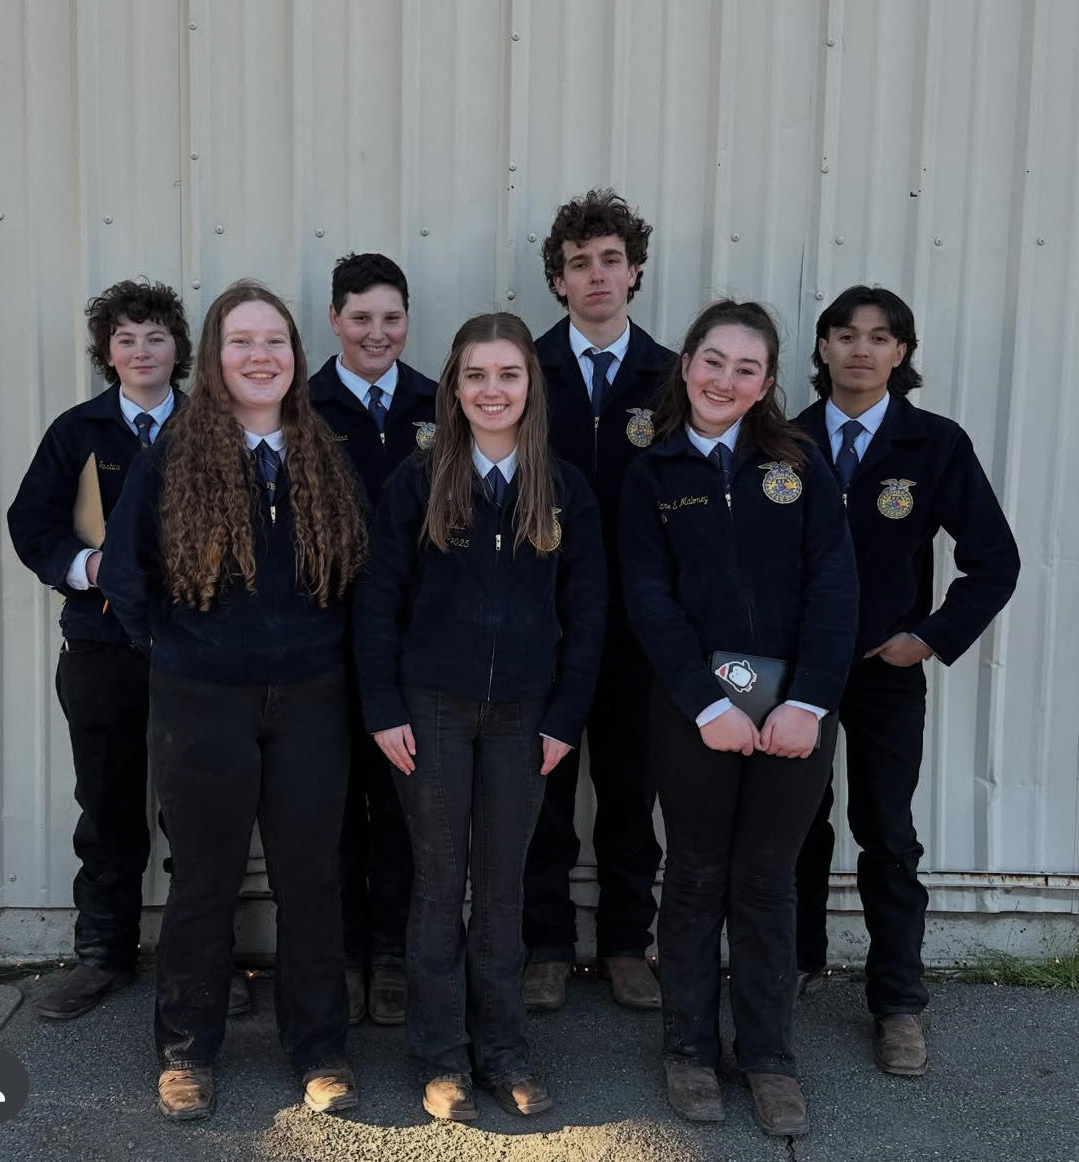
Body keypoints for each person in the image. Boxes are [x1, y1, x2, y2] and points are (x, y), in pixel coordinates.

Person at [98, 280, 367, 1122]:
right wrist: (180, 652)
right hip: (202, 703)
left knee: (310, 881)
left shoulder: (325, 453)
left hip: (314, 701)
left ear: (296, 356)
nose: (261, 356)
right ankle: (186, 1053)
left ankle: (319, 1050)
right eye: (242, 342)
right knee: (204, 883)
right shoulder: (172, 456)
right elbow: (123, 575)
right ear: (215, 360)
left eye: (275, 342)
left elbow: (359, 575)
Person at [353, 313, 606, 1121]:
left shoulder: (562, 487)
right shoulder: (419, 481)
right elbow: (377, 600)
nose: (492, 391)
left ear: (531, 386)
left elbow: (590, 613)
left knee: (502, 887)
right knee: (437, 885)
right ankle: (440, 1057)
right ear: (454, 391)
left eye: (508, 375)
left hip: (524, 715)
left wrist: (565, 717)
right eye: (476, 377)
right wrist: (384, 707)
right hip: (430, 709)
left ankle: (503, 1050)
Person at [619, 300, 858, 1136]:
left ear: (765, 386)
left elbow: (836, 587)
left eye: (746, 368)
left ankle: (768, 1057)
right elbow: (647, 599)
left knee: (765, 881)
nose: (726, 379)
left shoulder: (800, 466)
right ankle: (688, 1050)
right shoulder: (654, 474)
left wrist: (807, 703)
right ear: (686, 366)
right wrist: (707, 703)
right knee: (692, 876)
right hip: (696, 713)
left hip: (796, 713)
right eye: (713, 361)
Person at [793, 285, 1020, 1076]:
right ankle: (795, 965)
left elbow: (995, 560)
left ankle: (897, 1003)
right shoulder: (782, 441)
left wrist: (925, 639)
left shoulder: (934, 445)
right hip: (800, 674)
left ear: (901, 353)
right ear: (821, 348)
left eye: (880, 338)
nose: (861, 350)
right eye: (845, 335)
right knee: (794, 827)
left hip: (886, 673)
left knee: (886, 834)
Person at [7, 279, 192, 1019]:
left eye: (154, 336)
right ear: (106, 353)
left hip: (191, 651)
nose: (141, 351)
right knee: (108, 804)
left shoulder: (207, 428)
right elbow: (34, 523)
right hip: (100, 646)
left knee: (195, 809)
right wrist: (89, 570)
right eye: (126, 339)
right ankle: (102, 955)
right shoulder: (76, 431)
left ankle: (196, 956)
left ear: (178, 348)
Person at [524, 188, 675, 1011]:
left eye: (610, 259)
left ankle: (625, 944)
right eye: (578, 263)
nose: (596, 276)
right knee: (543, 791)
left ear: (636, 270)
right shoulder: (524, 369)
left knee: (628, 791)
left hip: (637, 628)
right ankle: (545, 943)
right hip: (539, 622)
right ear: (557, 281)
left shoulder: (673, 378)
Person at [308, 252, 437, 1026]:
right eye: (361, 318)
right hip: (322, 641)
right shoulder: (303, 405)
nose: (376, 332)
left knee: (399, 806)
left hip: (412, 644)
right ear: (334, 320)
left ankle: (390, 951)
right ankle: (344, 952)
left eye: (391, 318)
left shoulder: (436, 404)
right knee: (327, 808)